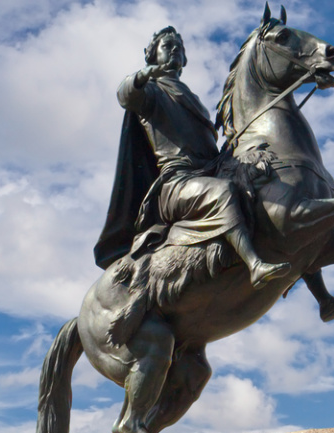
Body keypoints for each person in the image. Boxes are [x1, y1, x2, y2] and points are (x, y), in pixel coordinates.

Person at [100, 26, 291, 288]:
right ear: (151, 54)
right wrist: (143, 75)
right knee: (223, 192)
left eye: (179, 47)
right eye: (167, 46)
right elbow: (125, 95)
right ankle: (254, 265)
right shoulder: (151, 92)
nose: (175, 49)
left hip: (208, 171)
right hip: (176, 183)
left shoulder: (193, 98)